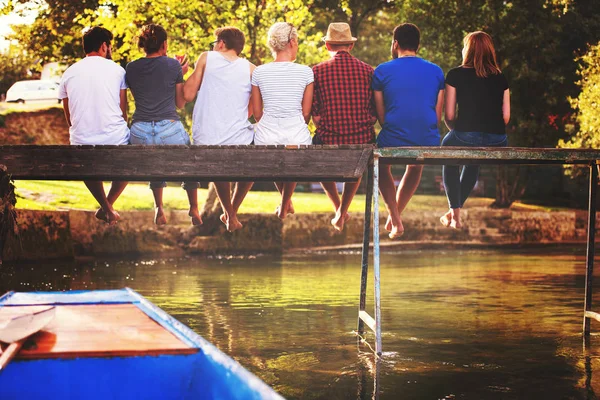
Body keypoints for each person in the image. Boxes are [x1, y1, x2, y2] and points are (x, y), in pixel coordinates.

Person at [372, 23, 444, 238]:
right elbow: (437, 116)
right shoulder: (436, 71)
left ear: (395, 44)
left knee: (382, 164)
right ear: (418, 45)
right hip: (428, 138)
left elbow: (380, 115)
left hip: (393, 134)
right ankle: (395, 218)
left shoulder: (382, 70)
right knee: (415, 164)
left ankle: (395, 219)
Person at [125, 24, 201, 226]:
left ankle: (159, 208)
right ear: (164, 44)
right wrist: (180, 73)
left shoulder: (131, 68)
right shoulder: (172, 66)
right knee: (190, 155)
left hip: (139, 131)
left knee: (153, 155)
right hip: (169, 129)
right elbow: (180, 103)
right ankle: (193, 207)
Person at [183, 26, 255, 232]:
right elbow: (254, 106)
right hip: (237, 138)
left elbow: (187, 95)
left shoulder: (206, 58)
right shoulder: (252, 69)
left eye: (214, 43)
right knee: (257, 159)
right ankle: (232, 212)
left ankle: (229, 213)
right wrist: (241, 116)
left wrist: (181, 75)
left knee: (218, 156)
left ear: (221, 43)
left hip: (205, 138)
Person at [58, 26, 129, 225]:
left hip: (82, 141)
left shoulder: (69, 72)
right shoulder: (117, 70)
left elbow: (69, 117)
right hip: (115, 139)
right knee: (132, 163)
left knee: (85, 157)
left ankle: (106, 208)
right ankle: (107, 206)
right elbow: (123, 112)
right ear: (104, 46)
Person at [440, 31, 510, 229]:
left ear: (467, 50)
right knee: (473, 160)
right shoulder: (501, 77)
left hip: (466, 134)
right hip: (498, 140)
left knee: (447, 152)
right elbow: (505, 117)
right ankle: (454, 212)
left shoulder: (455, 74)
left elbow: (450, 116)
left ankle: (456, 216)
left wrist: (460, 132)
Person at [312, 22, 377, 232]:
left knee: (317, 157)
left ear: (327, 46)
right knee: (357, 159)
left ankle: (338, 208)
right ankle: (341, 210)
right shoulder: (369, 71)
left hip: (329, 138)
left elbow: (316, 116)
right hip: (362, 140)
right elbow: (374, 111)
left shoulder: (317, 71)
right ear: (351, 46)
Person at [251, 22, 314, 219]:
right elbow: (305, 114)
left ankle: (285, 202)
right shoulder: (306, 72)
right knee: (293, 148)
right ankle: (286, 201)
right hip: (297, 135)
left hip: (266, 136)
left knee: (277, 150)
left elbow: (257, 114)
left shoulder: (259, 72)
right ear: (292, 42)